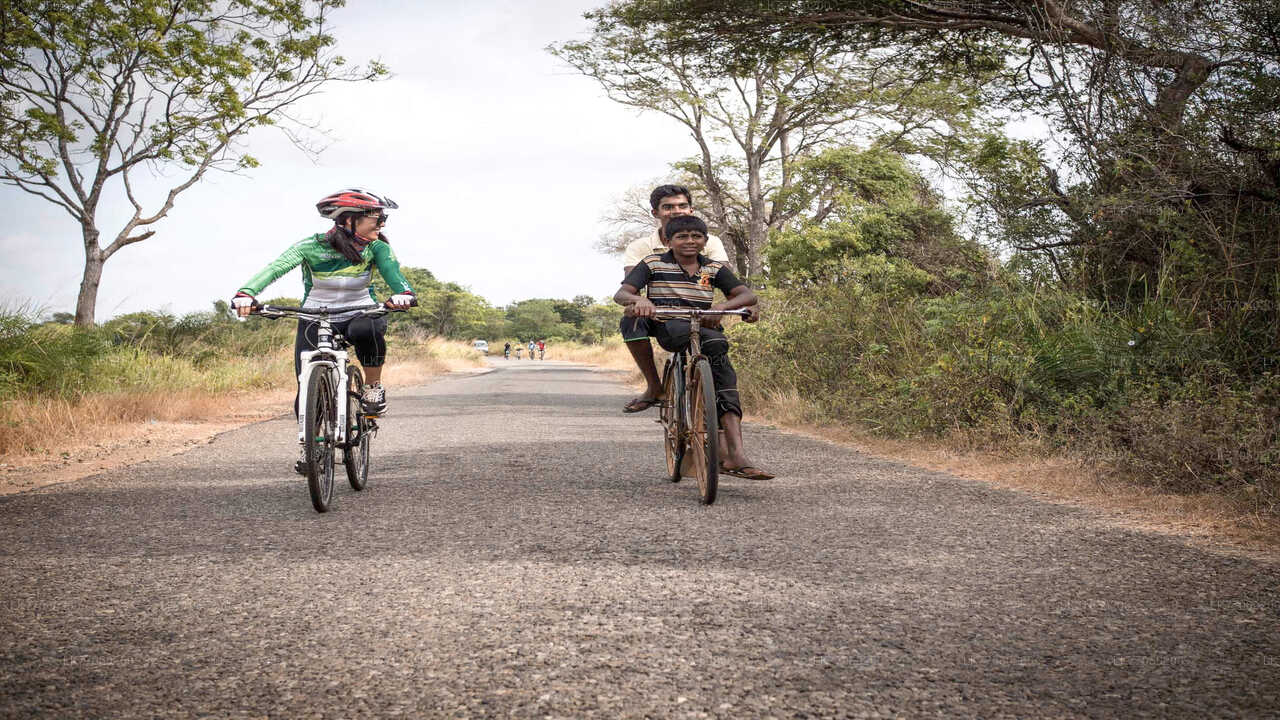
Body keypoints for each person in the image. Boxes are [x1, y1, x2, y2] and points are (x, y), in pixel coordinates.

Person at [231, 187, 415, 473]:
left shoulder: (377, 248)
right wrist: (246, 293)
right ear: (347, 220)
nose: (381, 225)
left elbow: (395, 276)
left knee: (369, 329)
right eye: (375, 219)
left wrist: (403, 294)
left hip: (359, 310)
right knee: (306, 385)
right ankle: (310, 445)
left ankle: (372, 388)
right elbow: (276, 268)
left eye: (383, 219)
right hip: (315, 314)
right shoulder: (310, 246)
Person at [614, 214, 773, 480]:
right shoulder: (653, 263)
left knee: (725, 374)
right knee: (636, 323)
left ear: (705, 240)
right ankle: (658, 388)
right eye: (682, 236)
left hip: (706, 330)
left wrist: (722, 307)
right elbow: (622, 293)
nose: (690, 241)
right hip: (669, 327)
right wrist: (639, 301)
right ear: (668, 240)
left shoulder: (713, 268)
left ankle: (736, 455)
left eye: (696, 236)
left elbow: (747, 295)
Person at [619, 184, 731, 413]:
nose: (676, 211)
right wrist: (638, 302)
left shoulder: (710, 242)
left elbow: (727, 278)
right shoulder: (641, 247)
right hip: (657, 313)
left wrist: (740, 304)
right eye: (668, 207)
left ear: (691, 210)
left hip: (698, 313)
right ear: (656, 213)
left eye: (682, 205)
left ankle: (720, 409)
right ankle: (654, 387)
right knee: (630, 321)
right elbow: (630, 288)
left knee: (717, 355)